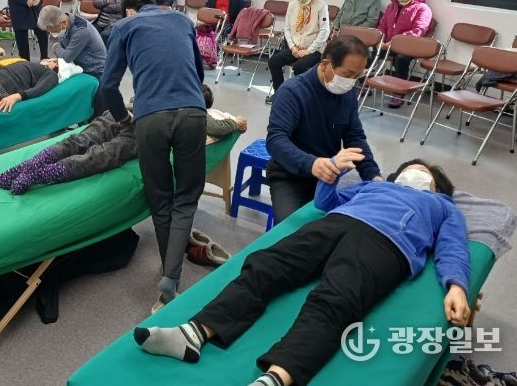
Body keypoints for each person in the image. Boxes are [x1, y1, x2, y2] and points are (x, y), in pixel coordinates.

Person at [133, 159, 470, 386]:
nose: (414, 172)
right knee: (266, 265)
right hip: (337, 223)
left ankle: (275, 379)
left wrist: (456, 285)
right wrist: (330, 176)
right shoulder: (373, 187)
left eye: (422, 173)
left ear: (436, 188)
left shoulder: (443, 206)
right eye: (411, 168)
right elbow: (326, 203)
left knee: (335, 301)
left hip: (386, 243)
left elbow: (454, 246)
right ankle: (192, 334)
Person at [100, 0, 206, 313]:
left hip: (149, 118)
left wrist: (123, 117)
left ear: (130, 10)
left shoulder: (124, 26)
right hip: (192, 113)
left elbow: (107, 86)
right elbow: (199, 73)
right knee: (186, 197)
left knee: (161, 199)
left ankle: (168, 274)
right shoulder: (182, 20)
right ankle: (171, 276)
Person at [0, 84, 247, 196]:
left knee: (78, 141)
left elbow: (137, 97)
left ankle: (29, 165)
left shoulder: (166, 87)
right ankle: (39, 174)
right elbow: (216, 126)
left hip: (120, 114)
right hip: (141, 133)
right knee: (96, 157)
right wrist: (235, 123)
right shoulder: (194, 112)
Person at [266, 36, 383, 222]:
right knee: (292, 231)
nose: (351, 82)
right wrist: (312, 164)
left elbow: (354, 137)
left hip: (328, 176)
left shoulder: (347, 93)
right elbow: (276, 140)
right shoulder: (293, 92)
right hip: (290, 176)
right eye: (347, 74)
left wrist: (373, 175)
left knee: (346, 228)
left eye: (357, 76)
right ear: (325, 64)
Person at [265, 0, 329, 104]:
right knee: (273, 61)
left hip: (314, 50)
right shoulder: (292, 5)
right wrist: (292, 47)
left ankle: (301, 97)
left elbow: (324, 31)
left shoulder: (321, 6)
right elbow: (287, 28)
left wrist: (309, 50)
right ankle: (280, 94)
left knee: (300, 66)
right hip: (295, 47)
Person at [377, 0, 433, 108]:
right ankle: (364, 84)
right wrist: (379, 40)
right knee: (369, 50)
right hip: (387, 44)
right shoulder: (392, 6)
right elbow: (382, 25)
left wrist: (395, 42)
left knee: (401, 59)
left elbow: (418, 31)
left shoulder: (422, 8)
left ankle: (398, 92)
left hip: (409, 47)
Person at [37, 6, 106, 78]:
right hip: (77, 66)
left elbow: (67, 57)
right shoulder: (64, 23)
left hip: (93, 72)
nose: (52, 34)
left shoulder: (81, 31)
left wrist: (55, 46)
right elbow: (62, 47)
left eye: (53, 31)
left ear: (63, 22)